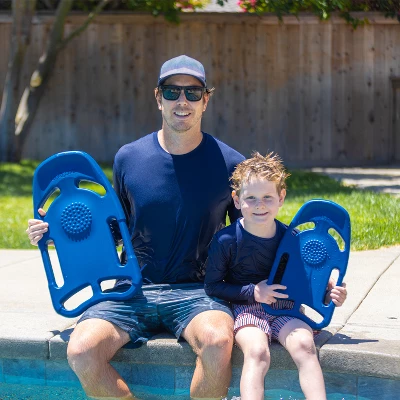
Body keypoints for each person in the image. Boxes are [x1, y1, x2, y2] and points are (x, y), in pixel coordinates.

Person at [26, 55, 245, 400]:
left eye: (192, 92)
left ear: (206, 100)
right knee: (81, 351)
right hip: (132, 288)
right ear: (158, 98)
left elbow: (249, 233)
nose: (182, 101)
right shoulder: (129, 158)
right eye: (172, 91)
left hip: (198, 291)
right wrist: (58, 236)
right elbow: (115, 228)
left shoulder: (231, 164)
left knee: (218, 342)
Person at [204, 152, 348, 400]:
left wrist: (329, 293)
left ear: (281, 198)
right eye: (251, 198)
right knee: (257, 351)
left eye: (267, 197)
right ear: (237, 201)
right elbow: (212, 286)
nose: (259, 205)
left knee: (304, 346)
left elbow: (307, 281)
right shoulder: (226, 241)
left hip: (286, 308)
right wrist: (253, 292)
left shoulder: (292, 239)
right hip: (247, 309)